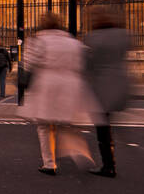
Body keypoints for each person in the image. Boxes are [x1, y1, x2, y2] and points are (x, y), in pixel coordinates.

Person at [18, 13, 98, 175]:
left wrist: (23, 80)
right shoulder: (72, 41)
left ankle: (49, 163)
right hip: (70, 84)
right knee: (65, 122)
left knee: (44, 126)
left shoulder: (38, 40)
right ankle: (78, 150)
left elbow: (28, 62)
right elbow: (85, 60)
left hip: (47, 84)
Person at [84, 10, 130, 178]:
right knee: (109, 123)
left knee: (102, 128)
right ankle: (111, 159)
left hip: (101, 87)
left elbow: (88, 64)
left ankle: (108, 165)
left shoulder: (93, 38)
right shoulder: (124, 36)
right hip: (120, 83)